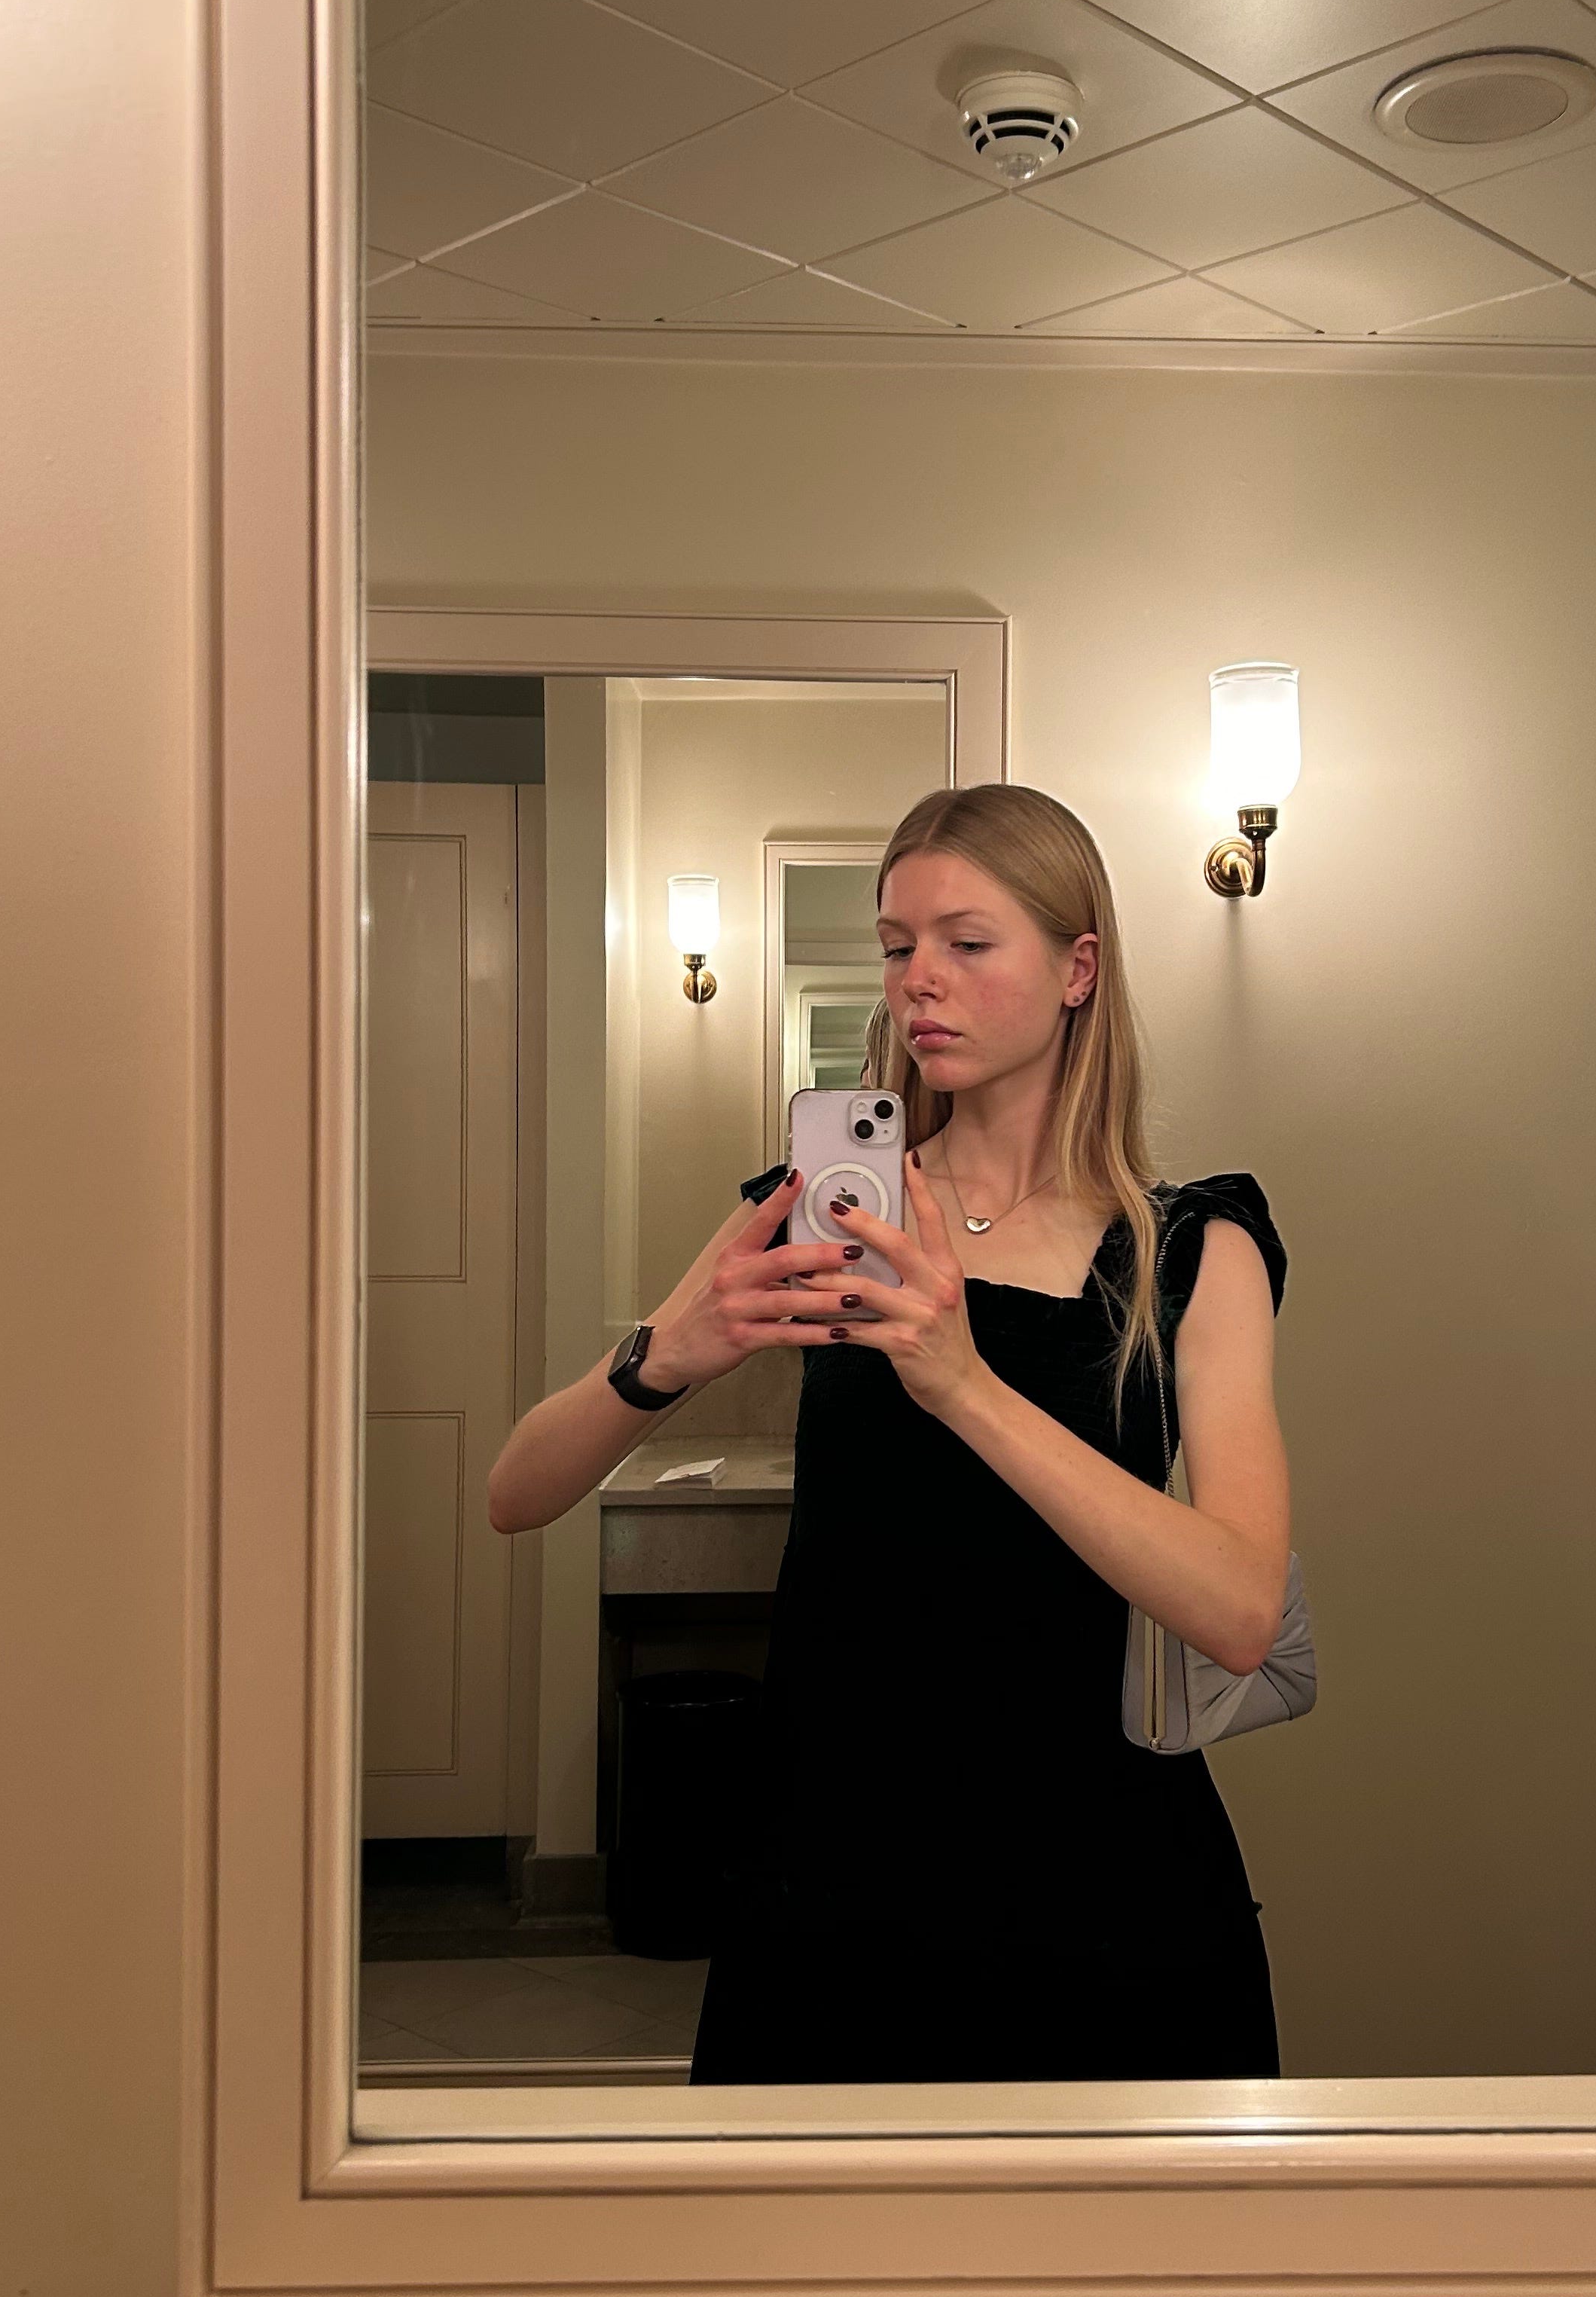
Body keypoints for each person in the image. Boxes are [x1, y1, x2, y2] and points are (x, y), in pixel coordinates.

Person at [487, 782, 1292, 2084]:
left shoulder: (1191, 1248)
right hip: (828, 1880)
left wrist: (964, 1385)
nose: (921, 979)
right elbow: (516, 1494)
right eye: (897, 944)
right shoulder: (822, 1208)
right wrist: (664, 1355)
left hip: (1103, 1886)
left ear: (1079, 969)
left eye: (968, 943)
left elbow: (1244, 1613)